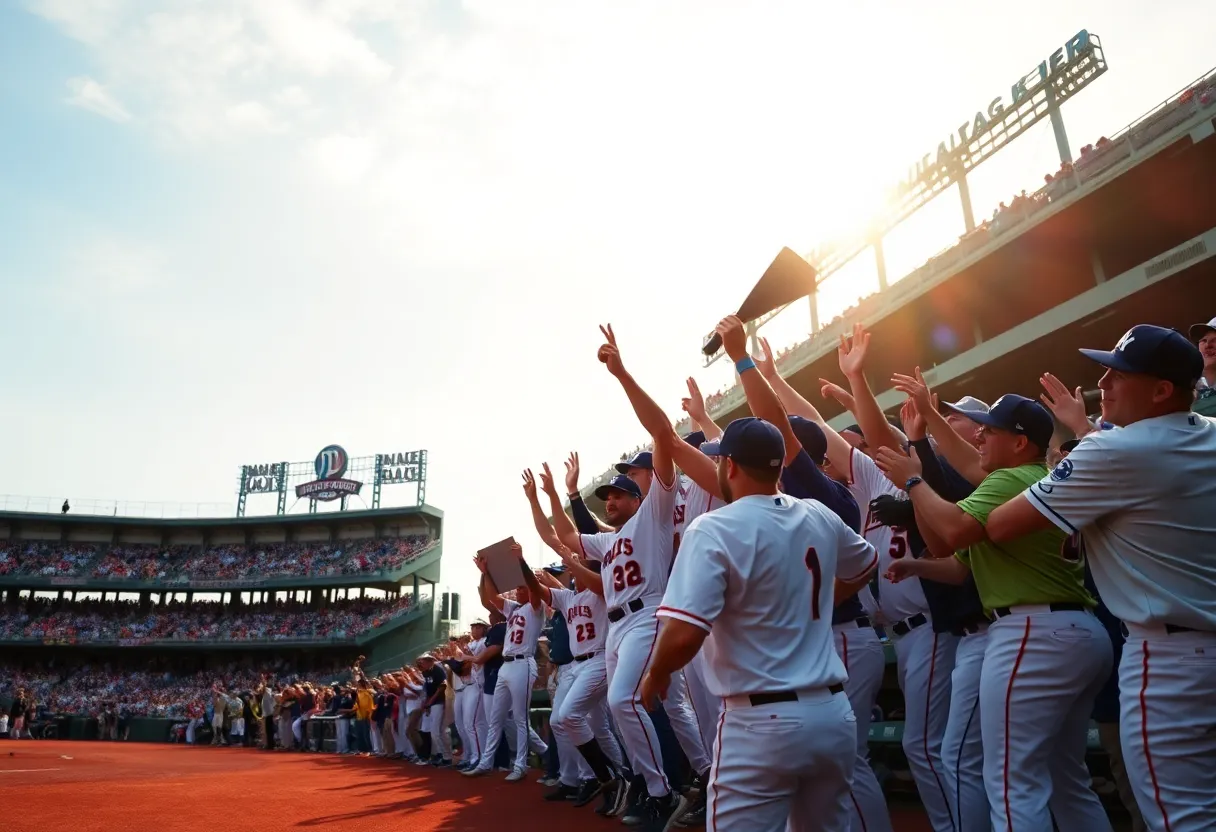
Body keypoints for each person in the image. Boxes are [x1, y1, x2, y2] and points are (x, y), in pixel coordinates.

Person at [986, 325, 1216, 832]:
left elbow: (999, 525)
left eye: (1120, 372)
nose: (1104, 381)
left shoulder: (1113, 451)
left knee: (1184, 820)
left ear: (1161, 390)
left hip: (1170, 663)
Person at [880, 393, 1113, 832]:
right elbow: (955, 564)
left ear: (1021, 442)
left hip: (1032, 632)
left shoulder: (1010, 480)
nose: (982, 436)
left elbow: (951, 532)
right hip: (1076, 630)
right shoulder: (1032, 478)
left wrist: (914, 483)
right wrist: (915, 564)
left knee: (1011, 782)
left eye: (991, 430)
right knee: (1067, 780)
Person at [641, 416, 879, 831]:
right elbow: (866, 563)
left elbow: (684, 634)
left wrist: (656, 673)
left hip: (760, 723)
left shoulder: (713, 526)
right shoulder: (817, 514)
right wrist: (823, 597)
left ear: (729, 465)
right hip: (831, 714)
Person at [545, 324, 710, 829]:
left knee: (625, 700)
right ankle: (700, 775)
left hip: (649, 616)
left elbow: (662, 432)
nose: (611, 499)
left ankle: (659, 790)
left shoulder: (655, 512)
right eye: (607, 497)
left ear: (638, 495)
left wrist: (621, 373)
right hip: (620, 626)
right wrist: (555, 496)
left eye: (617, 492)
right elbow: (566, 539)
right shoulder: (610, 540)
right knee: (666, 706)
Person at [519, 541, 630, 814]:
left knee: (568, 716)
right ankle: (621, 777)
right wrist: (521, 564)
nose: (574, 570)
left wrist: (577, 565)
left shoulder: (601, 590)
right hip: (579, 665)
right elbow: (538, 590)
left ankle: (610, 779)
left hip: (600, 660)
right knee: (593, 726)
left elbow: (595, 582)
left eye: (581, 566)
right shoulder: (568, 598)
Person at [464, 544, 548, 781]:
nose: (520, 590)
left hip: (524, 663)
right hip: (507, 665)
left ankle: (520, 765)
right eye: (519, 587)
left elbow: (533, 587)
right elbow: (492, 597)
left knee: (521, 718)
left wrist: (521, 561)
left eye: (523, 587)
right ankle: (486, 761)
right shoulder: (513, 609)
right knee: (495, 718)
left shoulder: (536, 608)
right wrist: (484, 572)